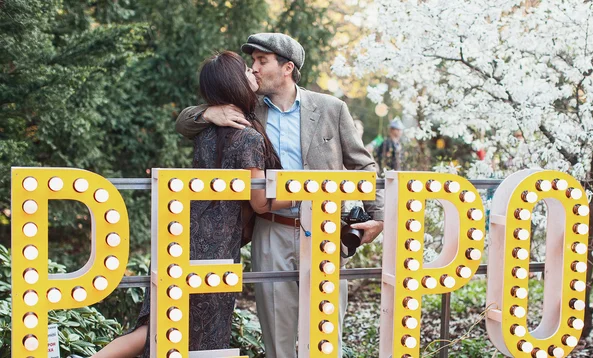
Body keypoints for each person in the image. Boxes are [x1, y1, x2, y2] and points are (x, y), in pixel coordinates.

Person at [175, 33, 384, 358]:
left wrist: (378, 216)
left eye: (262, 61)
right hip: (270, 229)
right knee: (277, 339)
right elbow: (183, 123)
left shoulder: (332, 107)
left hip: (325, 231)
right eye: (253, 62)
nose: (254, 69)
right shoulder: (245, 109)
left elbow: (363, 166)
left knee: (327, 338)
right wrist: (206, 114)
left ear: (287, 68)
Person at [92, 51, 291, 358]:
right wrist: (306, 191)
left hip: (180, 233)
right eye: (247, 70)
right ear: (236, 82)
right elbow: (261, 203)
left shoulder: (206, 131)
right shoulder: (247, 138)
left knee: (158, 327)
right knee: (195, 339)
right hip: (214, 247)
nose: (255, 73)